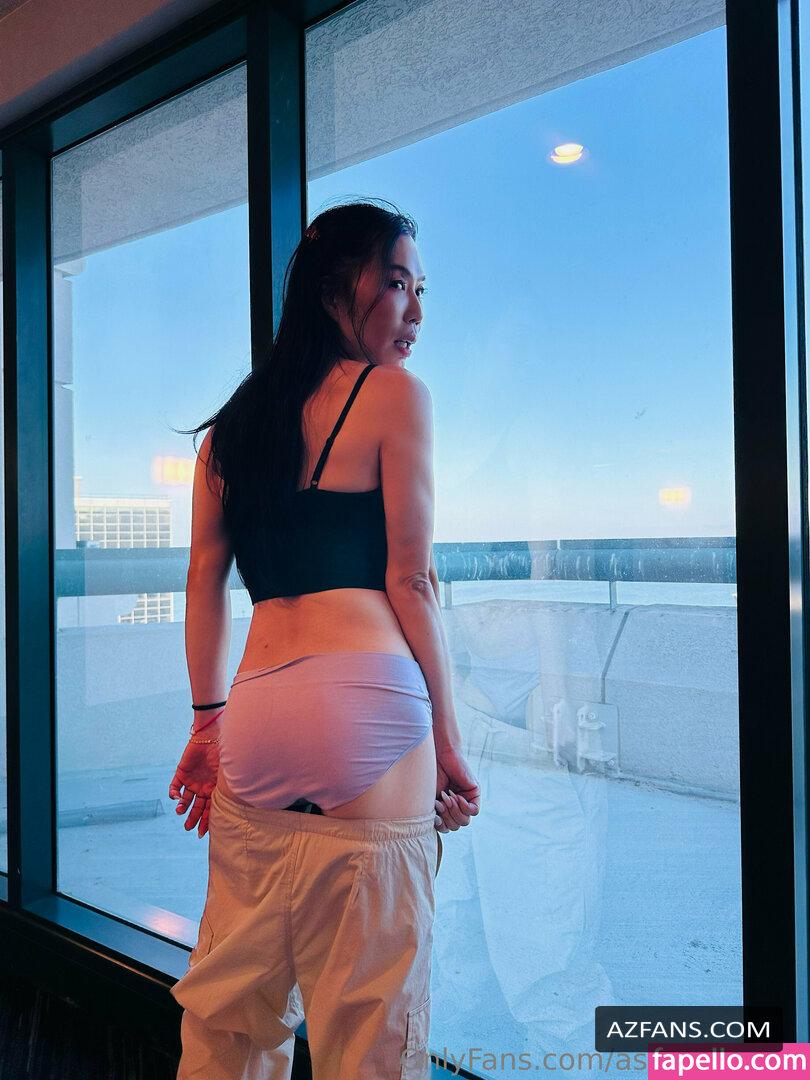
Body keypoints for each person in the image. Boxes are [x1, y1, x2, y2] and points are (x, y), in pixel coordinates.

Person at [167, 198, 482, 1079]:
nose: (415, 312)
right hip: (369, 711)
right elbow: (412, 581)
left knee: (231, 1023)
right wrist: (449, 743)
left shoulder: (229, 432)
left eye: (421, 291)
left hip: (258, 716)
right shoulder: (394, 396)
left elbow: (203, 581)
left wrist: (206, 721)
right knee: (370, 1034)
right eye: (398, 283)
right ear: (335, 285)